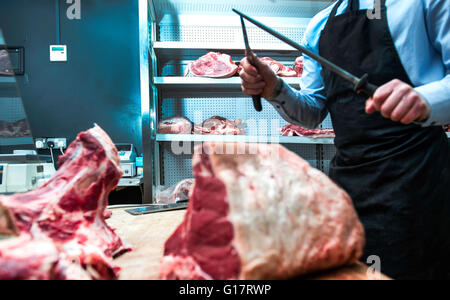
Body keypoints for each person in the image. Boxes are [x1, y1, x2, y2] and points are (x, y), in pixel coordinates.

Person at [239, 0, 450, 279]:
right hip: (349, 188)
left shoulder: (427, 3)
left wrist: (425, 99)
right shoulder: (319, 24)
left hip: (418, 183)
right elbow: (313, 110)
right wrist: (275, 88)